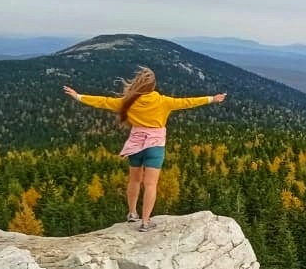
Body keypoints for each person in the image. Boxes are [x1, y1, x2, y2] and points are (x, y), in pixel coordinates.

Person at [63, 67, 226, 232]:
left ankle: (132, 213)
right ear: (153, 86)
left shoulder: (128, 102)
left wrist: (78, 96)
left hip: (136, 144)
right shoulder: (164, 101)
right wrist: (213, 98)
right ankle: (146, 222)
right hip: (155, 146)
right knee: (150, 184)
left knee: (134, 180)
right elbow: (188, 102)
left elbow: (104, 101)